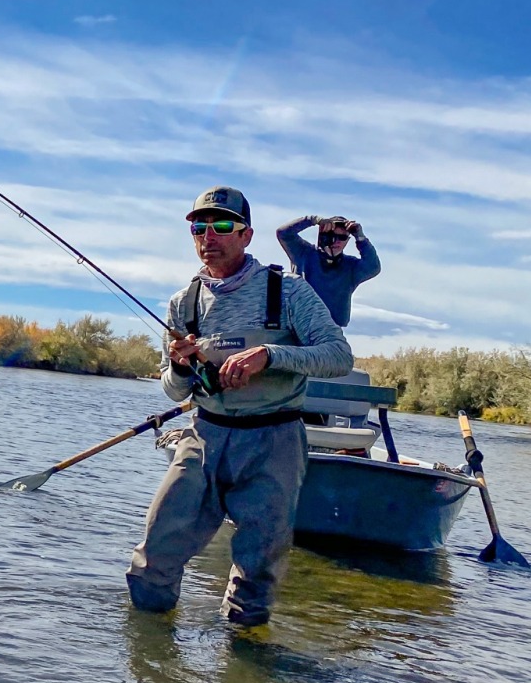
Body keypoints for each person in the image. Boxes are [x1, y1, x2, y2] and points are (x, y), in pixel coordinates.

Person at [127, 186, 353, 627]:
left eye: (223, 225)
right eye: (200, 226)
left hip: (275, 442)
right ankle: (149, 670)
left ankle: (244, 665)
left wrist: (270, 355)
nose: (210, 235)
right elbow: (175, 392)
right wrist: (178, 367)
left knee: (255, 579)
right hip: (204, 437)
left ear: (246, 236)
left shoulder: (290, 293)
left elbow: (339, 357)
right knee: (153, 560)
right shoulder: (182, 304)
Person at [275, 214, 380, 327]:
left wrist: (361, 238)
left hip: (330, 331)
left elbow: (373, 267)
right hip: (298, 325)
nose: (337, 241)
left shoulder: (351, 267)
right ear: (322, 235)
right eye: (331, 235)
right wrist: (313, 220)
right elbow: (283, 233)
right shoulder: (304, 253)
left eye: (342, 237)